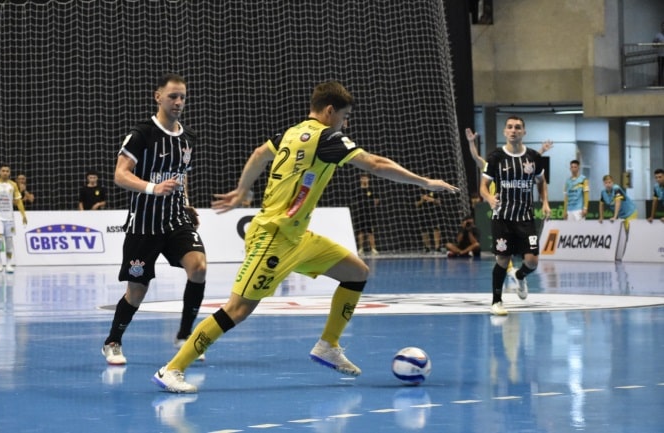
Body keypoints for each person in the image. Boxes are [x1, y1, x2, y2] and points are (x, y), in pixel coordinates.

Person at [151, 80, 458, 393]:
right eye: (344, 116)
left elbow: (259, 154)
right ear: (329, 111)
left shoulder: (292, 132)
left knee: (356, 272)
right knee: (237, 310)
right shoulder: (327, 137)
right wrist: (424, 182)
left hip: (297, 236)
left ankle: (328, 345)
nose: (346, 123)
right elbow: (376, 164)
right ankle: (172, 369)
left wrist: (243, 189)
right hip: (273, 237)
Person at [102, 73, 207, 366]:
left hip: (175, 221)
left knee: (198, 268)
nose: (178, 102)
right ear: (158, 97)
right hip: (144, 225)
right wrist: (152, 188)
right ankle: (113, 341)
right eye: (173, 96)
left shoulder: (188, 140)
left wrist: (186, 204)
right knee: (137, 292)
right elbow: (120, 174)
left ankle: (186, 335)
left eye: (183, 97)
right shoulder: (142, 134)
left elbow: (181, 178)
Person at [465, 127, 553, 294]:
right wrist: (471, 143)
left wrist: (541, 151)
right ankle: (499, 295)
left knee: (531, 259)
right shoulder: (491, 164)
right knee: (503, 258)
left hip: (522, 214)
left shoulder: (523, 161)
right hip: (501, 212)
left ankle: (518, 275)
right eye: (510, 128)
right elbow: (476, 158)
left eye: (517, 128)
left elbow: (531, 167)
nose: (513, 131)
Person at [0, 164, 28, 273]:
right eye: (3, 171)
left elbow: (18, 201)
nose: (5, 173)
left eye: (7, 171)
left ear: (9, 173)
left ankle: (8, 264)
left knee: (9, 241)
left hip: (9, 217)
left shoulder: (13, 185)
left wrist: (23, 215)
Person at [351, 173, 379, 256]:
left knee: (371, 232)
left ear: (368, 179)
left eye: (366, 178)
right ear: (360, 180)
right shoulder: (357, 190)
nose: (364, 180)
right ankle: (360, 249)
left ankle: (373, 249)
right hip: (360, 213)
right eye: (363, 178)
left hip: (370, 213)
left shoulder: (372, 189)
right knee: (360, 232)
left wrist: (371, 205)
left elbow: (377, 200)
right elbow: (354, 200)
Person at [415, 189, 441, 253]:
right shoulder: (418, 191)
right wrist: (422, 201)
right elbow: (416, 204)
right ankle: (427, 248)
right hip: (422, 213)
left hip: (433, 212)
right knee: (424, 230)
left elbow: (439, 202)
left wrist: (431, 199)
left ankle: (437, 248)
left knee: (436, 228)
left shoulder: (433, 190)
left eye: (427, 177)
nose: (426, 178)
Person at [654, 21, 664, 86]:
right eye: (663, 26)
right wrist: (657, 42)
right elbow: (654, 45)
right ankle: (660, 85)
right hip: (661, 55)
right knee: (660, 71)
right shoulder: (658, 35)